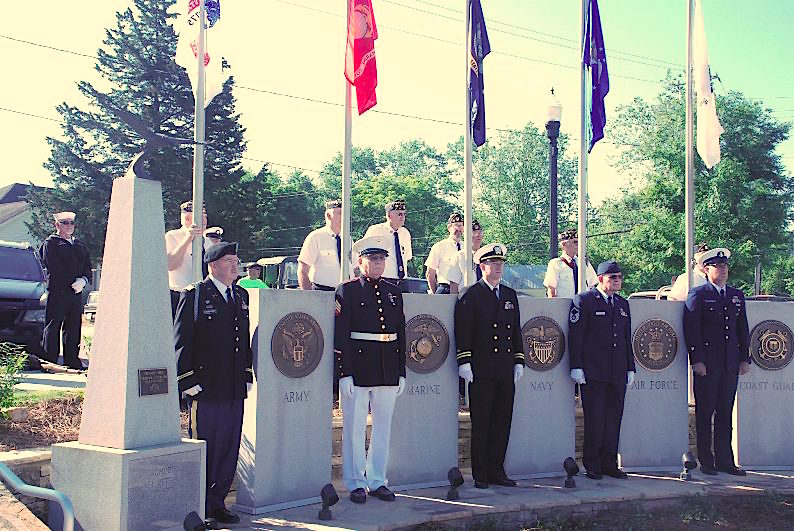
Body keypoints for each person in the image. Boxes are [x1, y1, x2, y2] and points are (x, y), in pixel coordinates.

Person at [174, 242, 254, 525]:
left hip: (232, 386)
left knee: (229, 446)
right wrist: (187, 380)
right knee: (205, 445)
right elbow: (181, 341)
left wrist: (246, 374)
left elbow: (243, 340)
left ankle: (217, 502)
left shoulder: (241, 295)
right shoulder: (195, 295)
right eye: (229, 260)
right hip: (205, 387)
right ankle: (199, 506)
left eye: (236, 259)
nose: (236, 265)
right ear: (213, 265)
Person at [334, 235, 406, 504]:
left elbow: (401, 331)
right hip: (359, 366)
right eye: (372, 258)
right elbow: (341, 334)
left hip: (387, 365)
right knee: (354, 427)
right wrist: (345, 372)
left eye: (381, 259)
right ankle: (355, 482)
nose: (378, 263)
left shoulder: (393, 291)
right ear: (360, 261)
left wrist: (401, 371)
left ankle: (377, 480)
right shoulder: (347, 290)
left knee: (383, 427)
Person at [454, 243, 524, 489]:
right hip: (481, 369)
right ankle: (481, 473)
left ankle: (497, 470)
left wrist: (518, 359)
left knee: (502, 420)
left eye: (500, 264)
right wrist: (464, 361)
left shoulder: (509, 295)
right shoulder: (470, 294)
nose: (498, 268)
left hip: (505, 368)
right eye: (493, 263)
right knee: (482, 422)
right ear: (482, 266)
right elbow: (463, 331)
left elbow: (515, 330)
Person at [683, 248, 750, 476]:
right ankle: (707, 460)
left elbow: (742, 328)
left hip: (730, 364)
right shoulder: (698, 294)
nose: (722, 270)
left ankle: (725, 461)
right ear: (705, 269)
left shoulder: (736, 295)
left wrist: (744, 358)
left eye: (725, 267)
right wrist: (697, 361)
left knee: (725, 412)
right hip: (707, 366)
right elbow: (692, 330)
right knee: (705, 413)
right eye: (717, 266)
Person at [568, 260, 635, 480]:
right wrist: (576, 366)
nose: (617, 281)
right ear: (600, 279)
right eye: (612, 278)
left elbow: (626, 338)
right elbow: (576, 336)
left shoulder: (622, 304)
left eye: (619, 277)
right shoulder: (585, 300)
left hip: (616, 371)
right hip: (594, 371)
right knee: (595, 419)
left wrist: (630, 367)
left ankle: (609, 463)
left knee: (614, 418)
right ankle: (593, 464)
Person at [39, 211, 92, 369]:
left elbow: (87, 267)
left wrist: (83, 280)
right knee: (53, 325)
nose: (69, 226)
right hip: (58, 291)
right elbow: (54, 267)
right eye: (65, 223)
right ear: (57, 225)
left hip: (76, 293)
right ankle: (50, 361)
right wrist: (71, 282)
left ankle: (72, 361)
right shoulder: (51, 243)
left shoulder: (79, 245)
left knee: (73, 326)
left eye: (71, 223)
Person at [165, 200, 209, 317]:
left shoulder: (207, 240)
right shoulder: (172, 236)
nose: (204, 221)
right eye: (201, 217)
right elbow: (171, 265)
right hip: (180, 295)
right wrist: (189, 238)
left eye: (205, 216)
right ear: (188, 219)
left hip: (204, 295)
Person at [363, 199, 412, 288]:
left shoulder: (405, 233)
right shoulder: (376, 230)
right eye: (399, 214)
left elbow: (407, 256)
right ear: (389, 215)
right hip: (382, 279)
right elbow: (364, 254)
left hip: (402, 281)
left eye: (404, 214)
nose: (403, 217)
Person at [298, 199, 346, 291]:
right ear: (328, 216)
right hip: (322, 291)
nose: (344, 217)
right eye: (340, 213)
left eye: (345, 214)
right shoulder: (316, 237)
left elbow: (356, 268)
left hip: (347, 293)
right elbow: (303, 270)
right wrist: (310, 296)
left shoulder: (348, 239)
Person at [543, 228, 597, 298]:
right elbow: (551, 290)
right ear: (564, 244)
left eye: (579, 242)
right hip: (565, 306)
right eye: (575, 242)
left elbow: (592, 287)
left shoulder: (584, 262)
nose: (578, 245)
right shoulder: (556, 264)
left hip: (584, 305)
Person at [425, 212, 465, 294]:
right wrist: (436, 294)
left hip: (464, 290)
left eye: (461, 225)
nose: (459, 229)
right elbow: (430, 274)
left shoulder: (467, 247)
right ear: (449, 227)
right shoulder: (440, 246)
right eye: (456, 225)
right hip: (446, 288)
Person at [448, 218, 484, 294]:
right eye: (474, 232)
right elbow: (454, 286)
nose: (478, 235)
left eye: (480, 232)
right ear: (466, 234)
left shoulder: (486, 256)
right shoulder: (460, 256)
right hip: (466, 300)